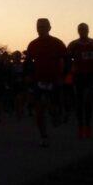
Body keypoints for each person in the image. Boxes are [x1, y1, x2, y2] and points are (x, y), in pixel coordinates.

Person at [25, 18, 68, 147]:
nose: (41, 29)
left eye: (43, 26)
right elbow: (28, 62)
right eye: (39, 26)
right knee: (39, 110)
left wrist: (63, 76)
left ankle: (56, 113)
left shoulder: (57, 43)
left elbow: (67, 61)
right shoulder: (33, 44)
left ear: (49, 28)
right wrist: (28, 76)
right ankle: (43, 136)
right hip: (38, 80)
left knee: (54, 108)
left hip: (54, 80)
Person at [68, 22, 93, 139]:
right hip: (78, 76)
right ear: (78, 31)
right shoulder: (73, 44)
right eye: (80, 29)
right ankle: (80, 127)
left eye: (84, 29)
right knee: (79, 102)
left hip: (91, 75)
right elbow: (66, 58)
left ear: (88, 30)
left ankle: (88, 127)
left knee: (88, 100)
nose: (82, 31)